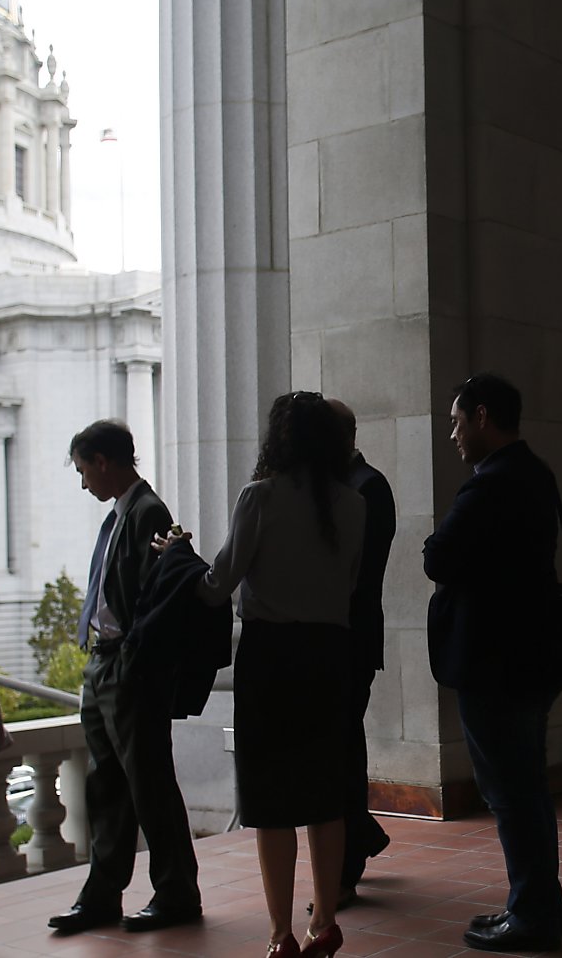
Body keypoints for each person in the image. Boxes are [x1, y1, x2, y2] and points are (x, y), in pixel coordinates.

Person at [176, 391, 364, 958]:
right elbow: (349, 585)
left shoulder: (259, 497)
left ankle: (281, 934)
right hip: (331, 656)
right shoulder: (354, 504)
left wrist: (178, 556)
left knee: (272, 799)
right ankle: (325, 921)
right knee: (326, 796)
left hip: (271, 660)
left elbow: (217, 584)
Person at [426, 373, 562, 953]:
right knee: (528, 786)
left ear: (483, 417)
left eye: (458, 422)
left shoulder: (490, 486)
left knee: (510, 791)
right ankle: (538, 906)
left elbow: (439, 556)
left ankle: (531, 914)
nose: (454, 436)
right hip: (530, 657)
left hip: (493, 662)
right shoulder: (535, 472)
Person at [48, 419, 202, 936]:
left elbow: (154, 595)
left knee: (149, 782)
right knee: (106, 784)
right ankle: (102, 893)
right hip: (103, 662)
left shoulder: (147, 511)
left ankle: (177, 891)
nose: (83, 482)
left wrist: (133, 658)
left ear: (103, 462)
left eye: (82, 470)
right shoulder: (117, 515)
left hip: (128, 665)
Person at [330, 398, 396, 904]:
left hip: (350, 639)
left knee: (343, 752)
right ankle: (362, 836)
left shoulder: (369, 487)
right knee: (340, 748)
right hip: (340, 638)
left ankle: (346, 867)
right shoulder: (342, 486)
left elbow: (360, 575)